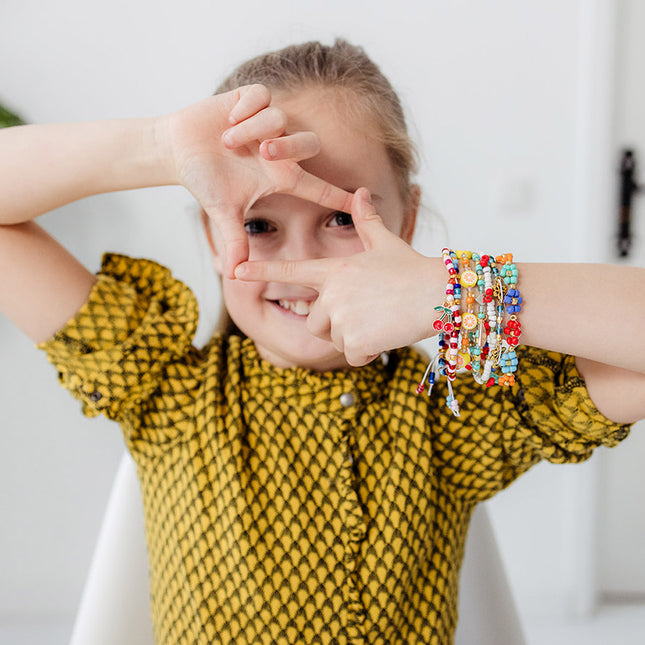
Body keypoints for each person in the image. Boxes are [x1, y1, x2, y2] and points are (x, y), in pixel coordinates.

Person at [1, 39, 644, 645]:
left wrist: (452, 293)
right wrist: (158, 147)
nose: (305, 261)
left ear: (408, 219)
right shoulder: (164, 391)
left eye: (341, 218)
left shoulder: (456, 417)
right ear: (212, 232)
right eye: (259, 222)